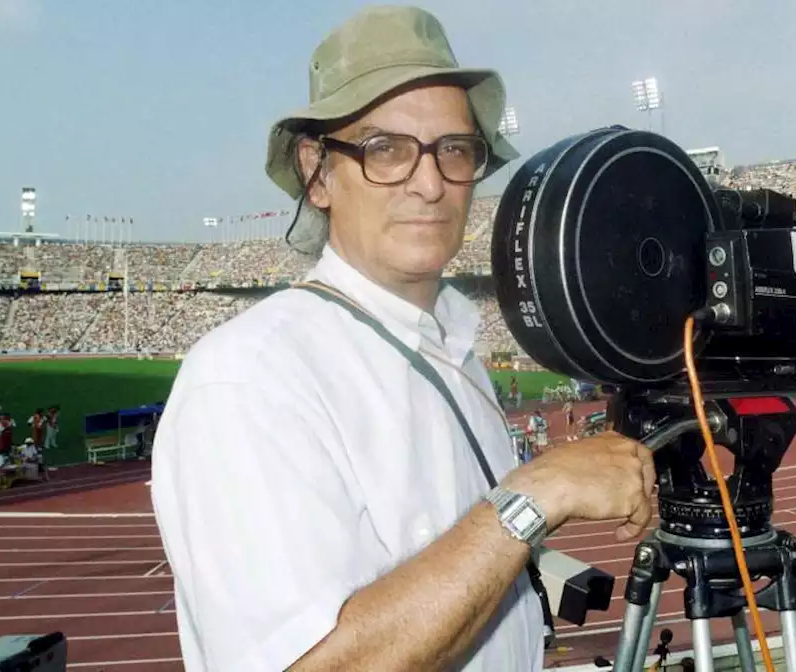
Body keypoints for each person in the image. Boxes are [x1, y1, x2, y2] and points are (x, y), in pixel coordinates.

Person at [148, 7, 656, 672]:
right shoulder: (250, 379)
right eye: (385, 148)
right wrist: (538, 495)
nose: (428, 181)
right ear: (319, 172)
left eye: (453, 149)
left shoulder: (454, 354)